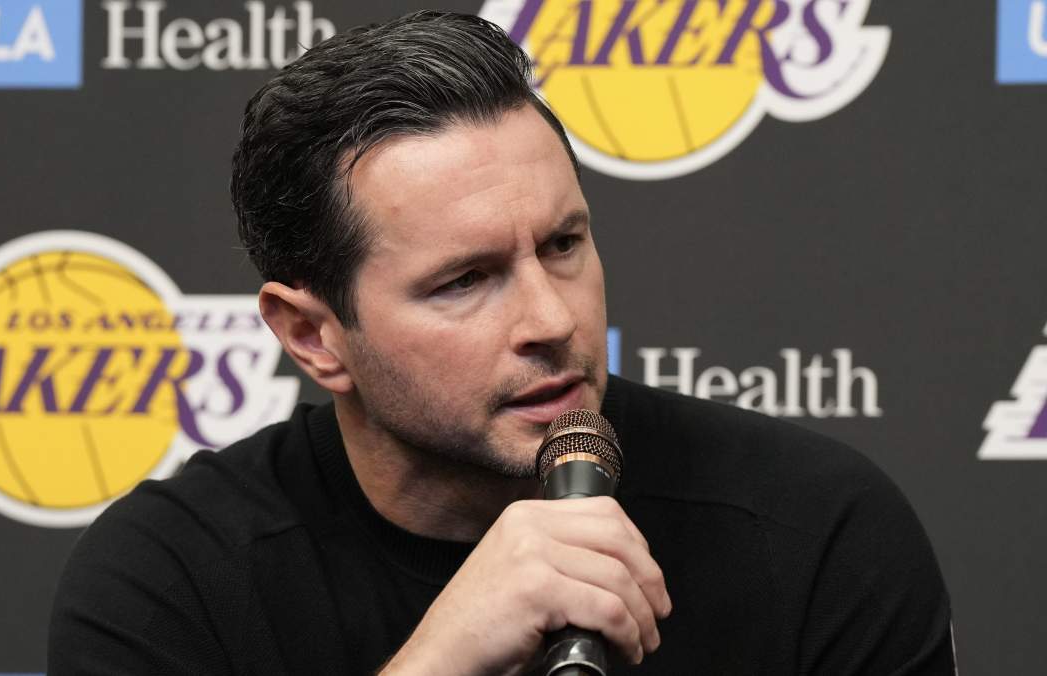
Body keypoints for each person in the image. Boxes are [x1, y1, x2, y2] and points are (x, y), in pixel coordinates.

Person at [48, 10, 955, 675]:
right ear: (314, 336)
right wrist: (440, 662)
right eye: (465, 280)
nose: (552, 321)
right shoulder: (172, 582)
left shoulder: (814, 531)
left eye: (563, 245)